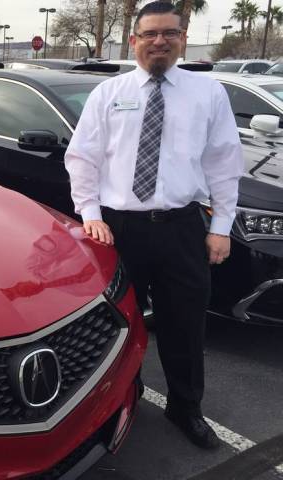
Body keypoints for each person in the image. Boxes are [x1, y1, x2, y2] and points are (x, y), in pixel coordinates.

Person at [64, 1, 243, 450]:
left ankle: (185, 407)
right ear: (134, 40)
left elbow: (224, 162)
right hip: (119, 229)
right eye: (150, 34)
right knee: (118, 324)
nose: (159, 41)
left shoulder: (208, 94)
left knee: (184, 326)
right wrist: (91, 216)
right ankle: (125, 395)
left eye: (169, 33)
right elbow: (82, 158)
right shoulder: (109, 93)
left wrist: (221, 225)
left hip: (182, 228)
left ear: (182, 38)